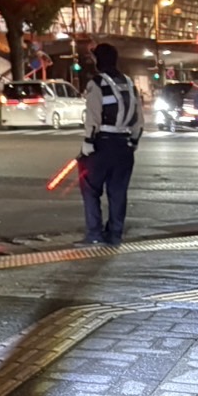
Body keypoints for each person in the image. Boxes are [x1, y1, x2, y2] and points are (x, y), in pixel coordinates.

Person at [78, 42, 143, 246]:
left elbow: (93, 116)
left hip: (101, 144)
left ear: (99, 60)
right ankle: (115, 234)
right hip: (124, 146)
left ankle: (94, 234)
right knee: (118, 192)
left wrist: (88, 142)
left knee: (90, 188)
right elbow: (139, 120)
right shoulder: (129, 83)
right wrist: (133, 141)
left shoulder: (96, 83)